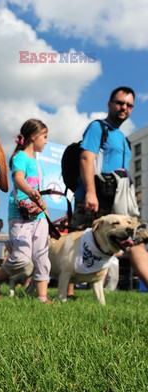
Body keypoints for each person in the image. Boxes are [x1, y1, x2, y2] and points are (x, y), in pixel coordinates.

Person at [71, 86, 148, 288]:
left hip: (119, 202)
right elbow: (87, 158)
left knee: (137, 239)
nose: (124, 108)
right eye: (120, 103)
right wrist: (90, 192)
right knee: (77, 242)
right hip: (94, 197)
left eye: (129, 105)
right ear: (109, 104)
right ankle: (66, 293)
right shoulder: (98, 128)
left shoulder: (124, 140)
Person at [0, 118, 53, 303]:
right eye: (44, 137)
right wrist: (31, 192)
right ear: (33, 136)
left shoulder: (38, 163)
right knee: (21, 258)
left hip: (39, 216)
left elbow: (40, 193)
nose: (46, 141)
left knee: (42, 256)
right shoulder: (19, 158)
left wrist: (46, 214)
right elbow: (18, 179)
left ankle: (42, 297)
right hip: (20, 216)